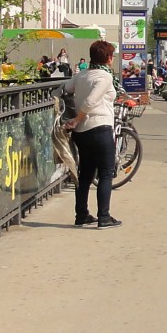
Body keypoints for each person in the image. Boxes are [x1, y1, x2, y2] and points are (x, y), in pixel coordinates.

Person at [63, 40, 122, 229]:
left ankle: (81, 214)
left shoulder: (82, 75)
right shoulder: (104, 77)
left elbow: (66, 89)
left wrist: (75, 119)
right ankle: (103, 216)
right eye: (111, 56)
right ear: (107, 58)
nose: (112, 59)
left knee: (85, 174)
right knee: (105, 173)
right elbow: (90, 101)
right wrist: (77, 118)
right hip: (100, 127)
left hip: (82, 133)